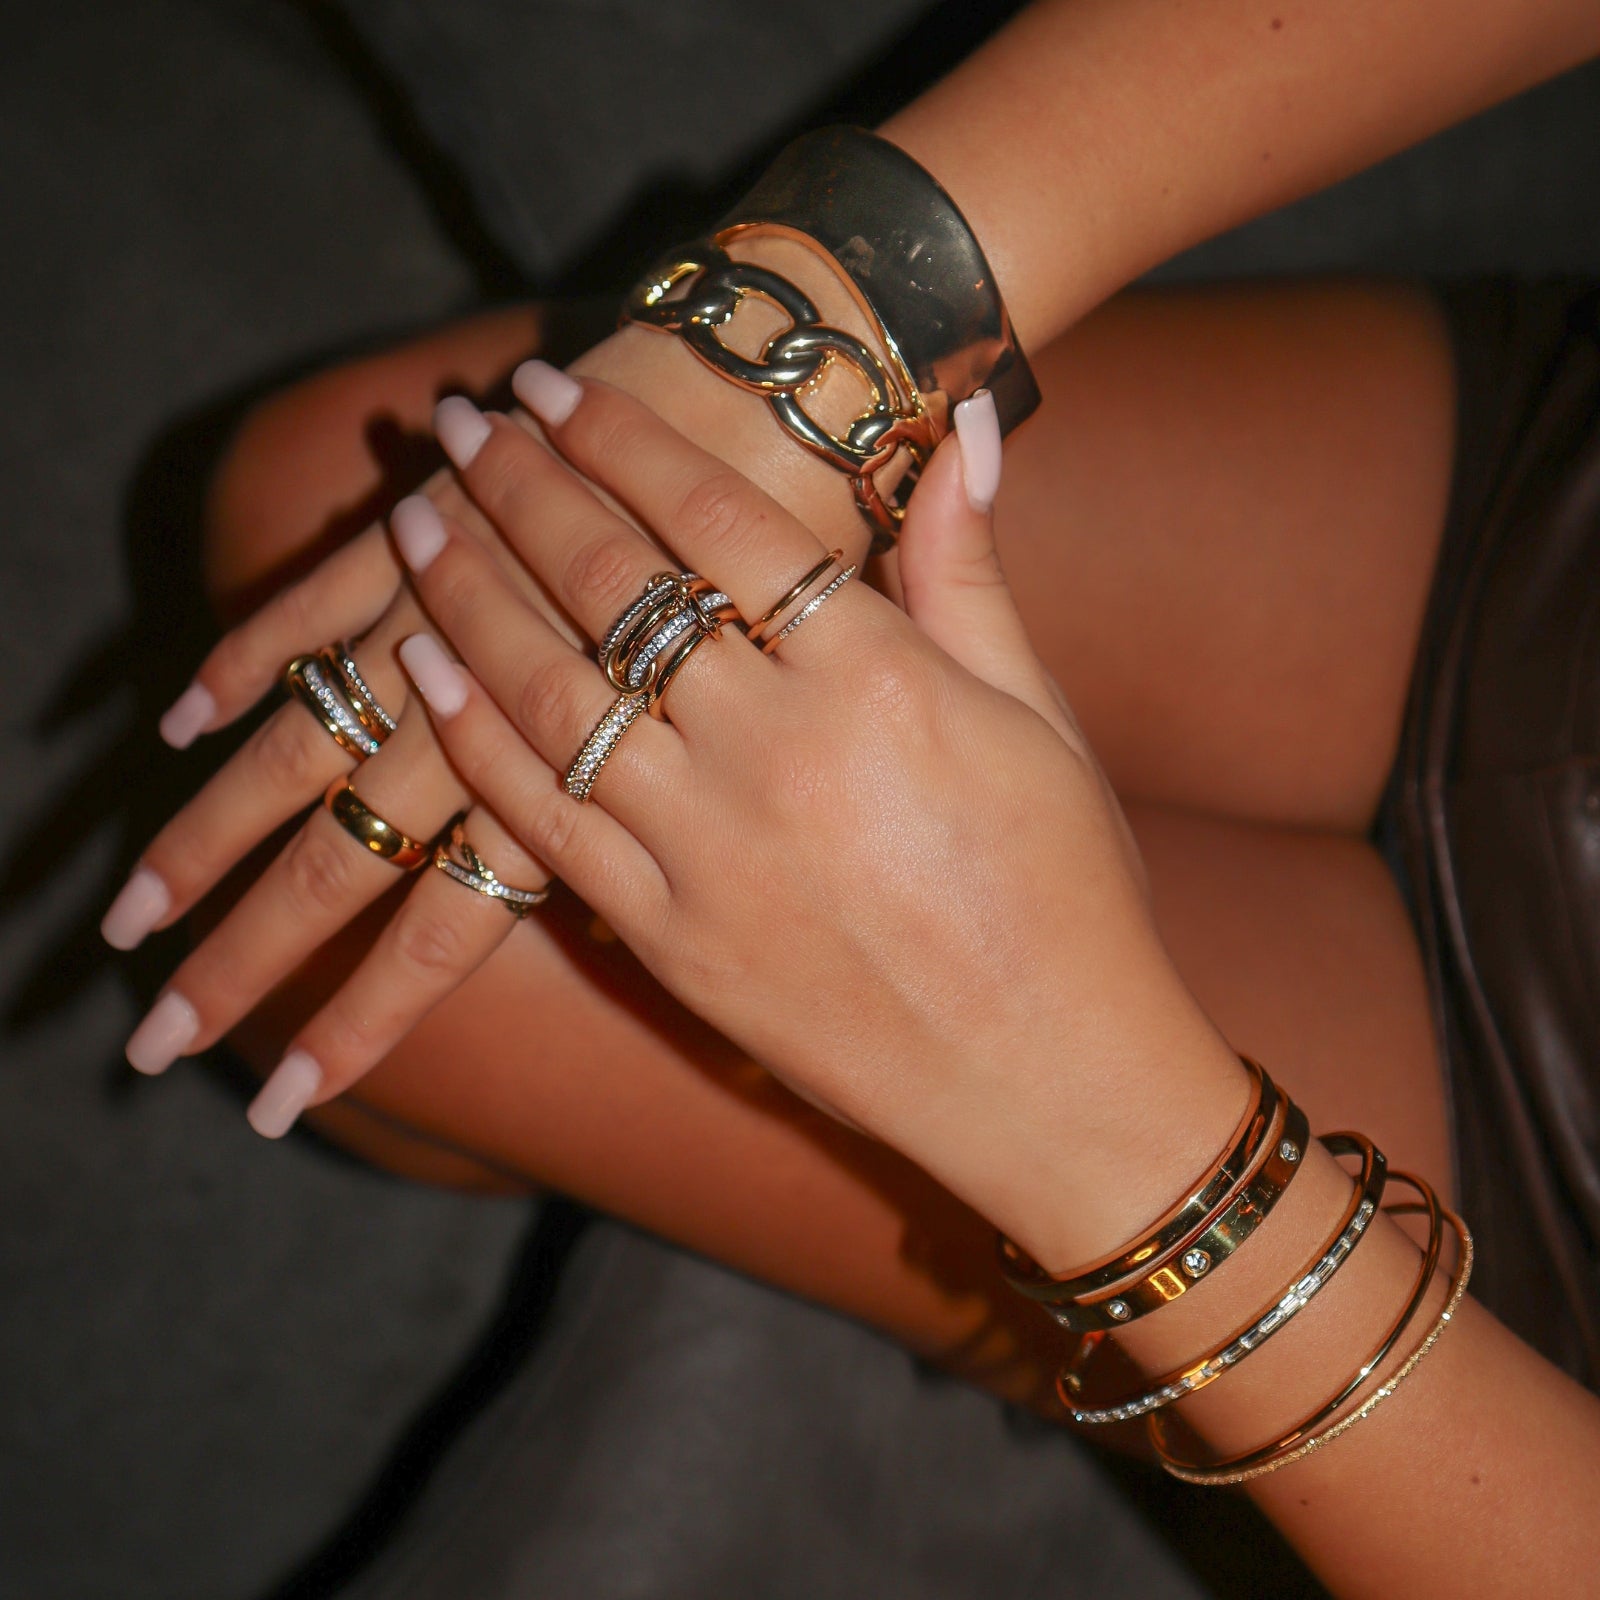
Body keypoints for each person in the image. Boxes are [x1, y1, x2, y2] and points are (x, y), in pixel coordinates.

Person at [97, 1, 1600, 1591]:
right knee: (350, 531)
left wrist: (1110, 1151)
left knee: (374, 938)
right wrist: (855, 303)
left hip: (1530, 1271)